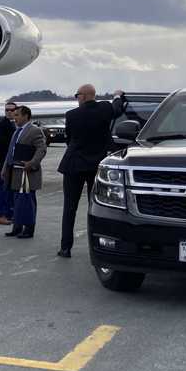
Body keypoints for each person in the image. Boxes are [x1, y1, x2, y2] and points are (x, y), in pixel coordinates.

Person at [56, 84, 126, 258]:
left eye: (77, 95)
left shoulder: (71, 115)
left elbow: (70, 139)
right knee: (95, 208)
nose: (76, 98)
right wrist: (117, 95)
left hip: (74, 164)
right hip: (96, 165)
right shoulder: (105, 109)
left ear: (85, 96)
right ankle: (96, 247)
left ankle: (65, 248)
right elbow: (117, 109)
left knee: (69, 208)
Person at [0, 106, 47, 239]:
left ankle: (29, 228)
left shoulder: (35, 131)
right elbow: (10, 152)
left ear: (26, 116)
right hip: (15, 172)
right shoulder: (17, 131)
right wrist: (5, 168)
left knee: (28, 201)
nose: (14, 118)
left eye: (17, 115)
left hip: (28, 173)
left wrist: (32, 163)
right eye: (14, 115)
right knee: (17, 201)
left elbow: (41, 149)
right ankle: (17, 227)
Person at [0, 101, 18, 226]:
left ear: (16, 111)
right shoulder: (0, 125)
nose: (9, 112)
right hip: (4, 163)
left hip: (14, 162)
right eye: (6, 110)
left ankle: (9, 213)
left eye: (11, 110)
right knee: (3, 188)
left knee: (11, 189)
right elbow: (3, 143)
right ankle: (0, 214)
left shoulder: (17, 125)